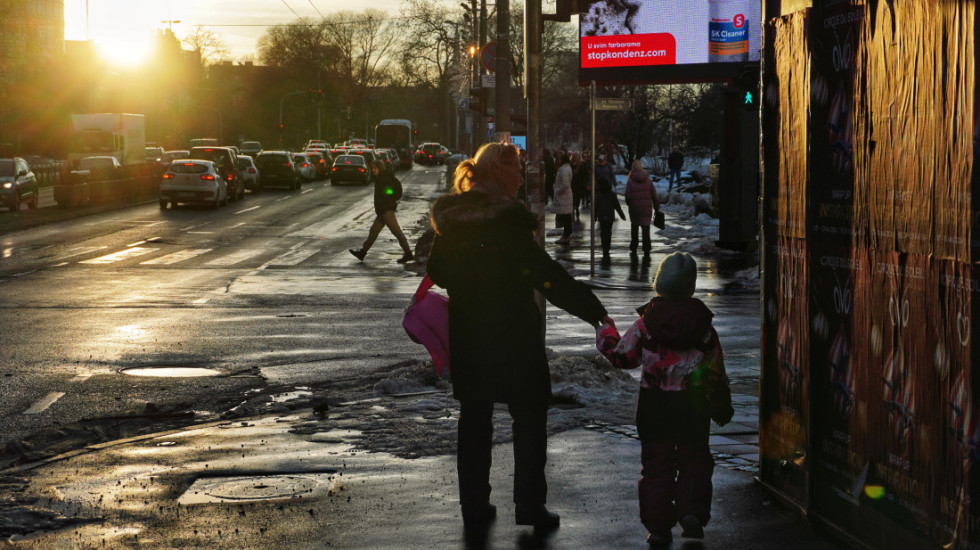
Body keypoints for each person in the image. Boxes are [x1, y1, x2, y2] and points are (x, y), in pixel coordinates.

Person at [426, 142, 616, 538]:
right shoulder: (508, 222)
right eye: (516, 172)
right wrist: (594, 312)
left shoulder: (455, 221)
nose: (522, 177)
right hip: (513, 332)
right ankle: (530, 505)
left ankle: (474, 506)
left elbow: (438, 271)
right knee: (529, 416)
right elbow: (545, 274)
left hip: (470, 331)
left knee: (475, 420)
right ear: (499, 173)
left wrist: (471, 283)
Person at [595, 252, 733, 549]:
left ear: (659, 284)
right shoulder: (704, 326)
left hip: (655, 405)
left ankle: (658, 527)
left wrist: (605, 331)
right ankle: (692, 512)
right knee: (694, 460)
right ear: (691, 286)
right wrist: (722, 402)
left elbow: (622, 356)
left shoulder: (646, 324)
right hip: (693, 406)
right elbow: (716, 370)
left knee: (657, 465)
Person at [348, 160, 414, 263]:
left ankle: (408, 253)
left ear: (379, 168)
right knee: (373, 232)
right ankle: (362, 253)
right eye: (372, 168)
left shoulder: (383, 179)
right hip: (382, 211)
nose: (373, 170)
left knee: (397, 232)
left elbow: (389, 191)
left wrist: (385, 198)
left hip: (386, 211)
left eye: (375, 168)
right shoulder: (382, 177)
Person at [624, 159, 661, 258]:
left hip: (635, 208)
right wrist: (657, 207)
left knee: (634, 227)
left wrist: (630, 204)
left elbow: (627, 195)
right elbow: (654, 195)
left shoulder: (630, 181)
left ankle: (634, 246)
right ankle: (646, 247)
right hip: (646, 208)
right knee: (646, 229)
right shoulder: (648, 180)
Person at [594, 176, 626, 263]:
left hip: (601, 216)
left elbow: (595, 207)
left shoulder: (598, 195)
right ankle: (607, 247)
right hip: (610, 216)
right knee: (608, 232)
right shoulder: (611, 194)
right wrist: (622, 215)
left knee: (603, 232)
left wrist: (594, 217)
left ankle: (604, 247)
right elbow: (617, 206)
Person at [553, 153, 574, 244]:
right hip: (565, 196)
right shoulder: (567, 168)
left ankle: (566, 235)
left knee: (565, 217)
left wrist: (557, 191)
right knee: (566, 216)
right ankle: (566, 234)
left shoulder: (563, 170)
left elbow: (565, 184)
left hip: (563, 197)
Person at [571, 152, 590, 219]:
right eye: (574, 156)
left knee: (578, 197)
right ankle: (573, 209)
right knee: (572, 198)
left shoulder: (583, 164)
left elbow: (587, 174)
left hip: (580, 184)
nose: (576, 157)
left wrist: (586, 182)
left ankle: (576, 208)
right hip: (572, 184)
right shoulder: (570, 164)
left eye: (577, 156)